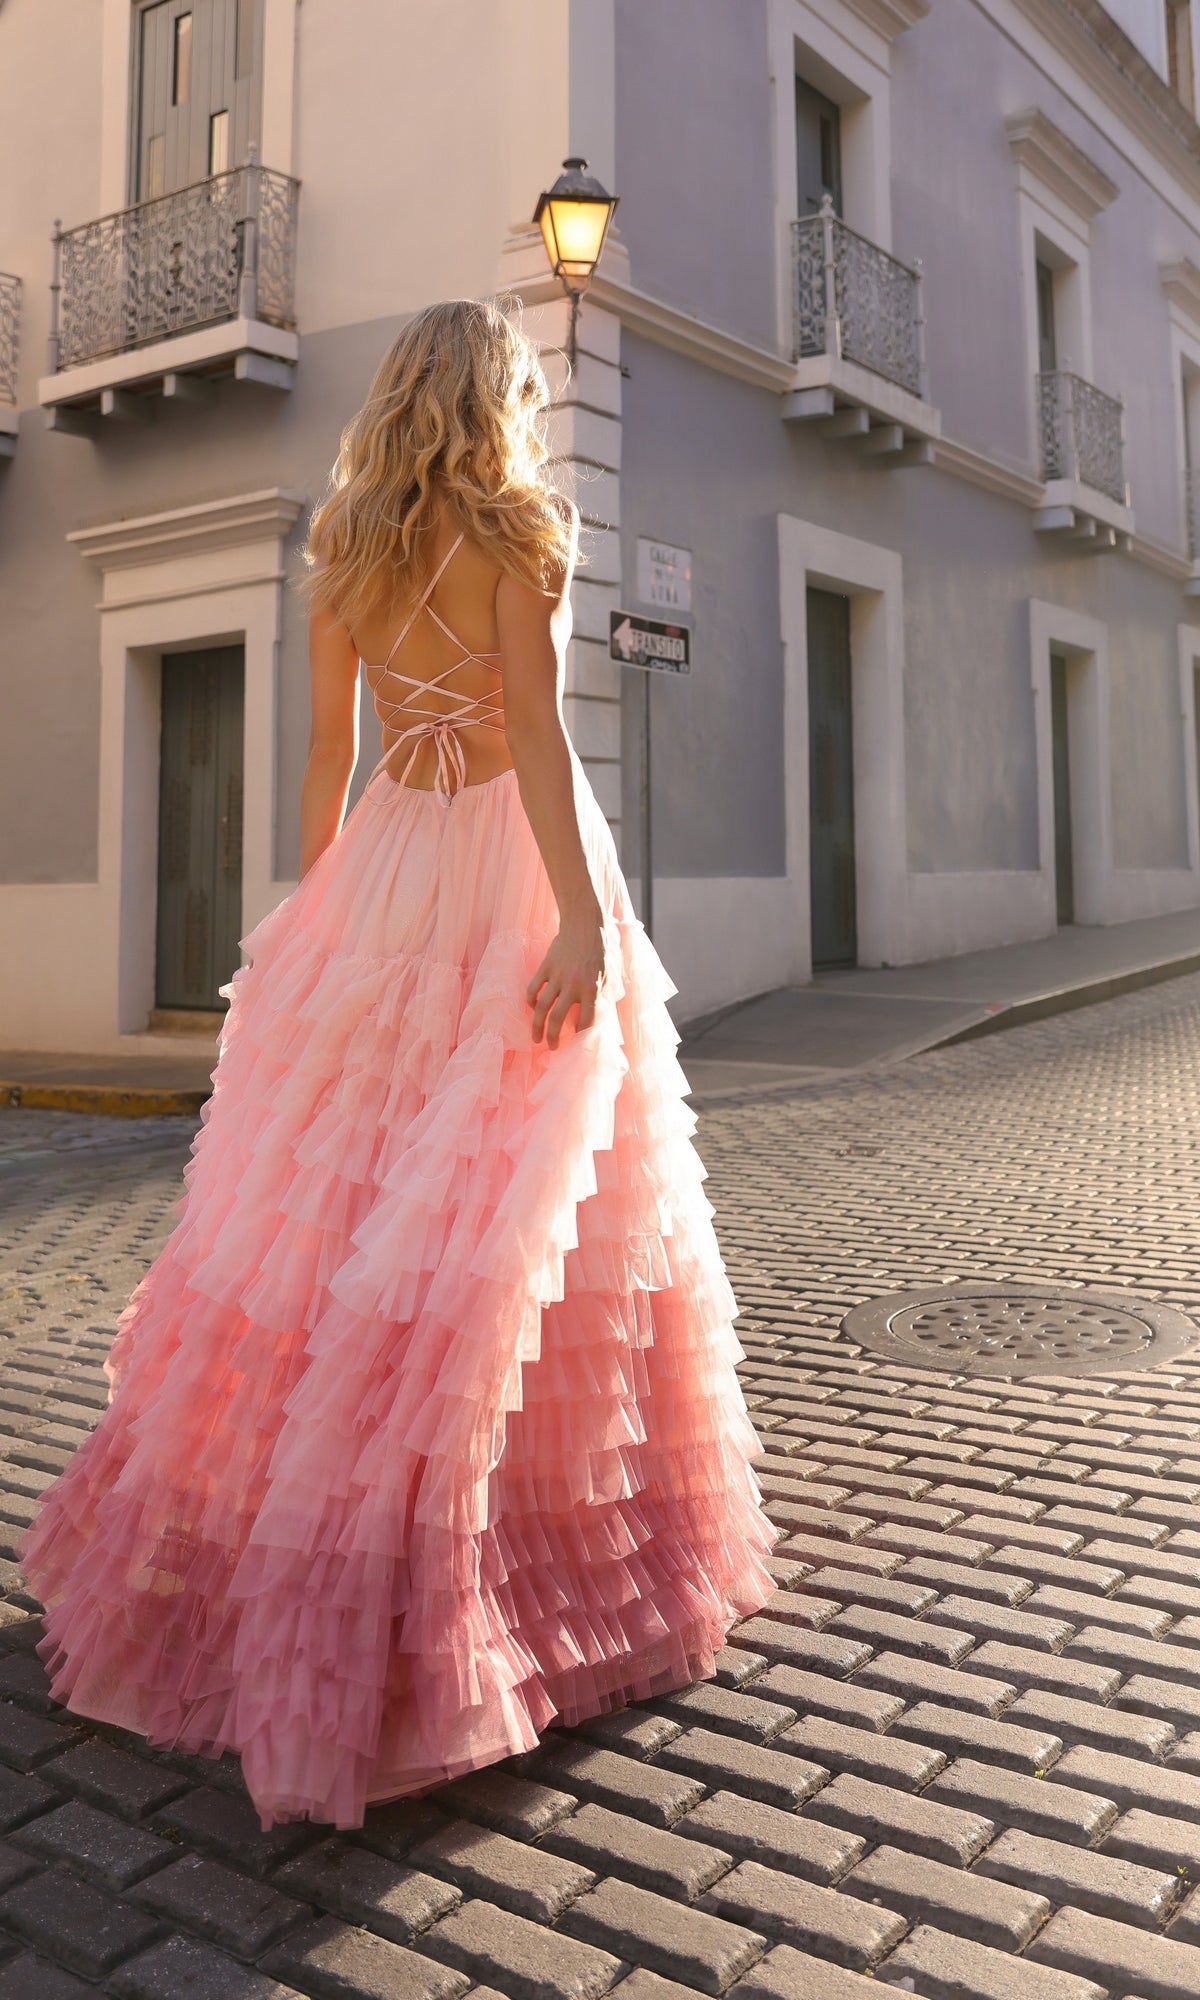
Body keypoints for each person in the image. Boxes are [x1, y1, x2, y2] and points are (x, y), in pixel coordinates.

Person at [20, 298, 776, 1831]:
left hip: (387, 866)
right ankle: (485, 1564)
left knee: (350, 1208)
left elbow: (324, 754)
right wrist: (577, 921)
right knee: (510, 1213)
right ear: (497, 394)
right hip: (502, 865)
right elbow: (547, 743)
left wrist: (318, 919)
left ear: (393, 395)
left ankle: (303, 1530)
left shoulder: (346, 544)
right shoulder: (521, 531)